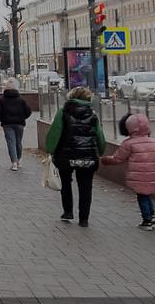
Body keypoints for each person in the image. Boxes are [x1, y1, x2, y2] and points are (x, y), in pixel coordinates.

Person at [44, 86, 107, 227]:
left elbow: (55, 132)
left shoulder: (62, 112)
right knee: (86, 186)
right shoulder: (93, 114)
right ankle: (84, 219)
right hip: (88, 155)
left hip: (65, 155)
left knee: (66, 182)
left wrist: (50, 149)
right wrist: (101, 151)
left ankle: (68, 211)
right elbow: (99, 135)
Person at [100, 113, 155, 230]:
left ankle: (147, 220)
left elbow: (117, 159)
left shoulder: (128, 144)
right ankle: (152, 215)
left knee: (142, 197)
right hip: (151, 176)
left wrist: (104, 160)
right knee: (147, 195)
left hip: (138, 177)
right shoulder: (153, 142)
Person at [0, 78, 32, 171]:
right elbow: (28, 111)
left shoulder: (1, 100)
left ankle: (14, 162)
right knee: (18, 142)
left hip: (7, 124)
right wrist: (23, 118)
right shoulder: (21, 100)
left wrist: (1, 119)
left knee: (11, 142)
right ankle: (19, 160)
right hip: (19, 124)